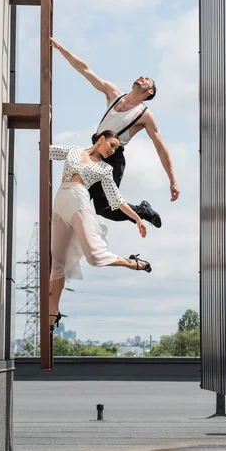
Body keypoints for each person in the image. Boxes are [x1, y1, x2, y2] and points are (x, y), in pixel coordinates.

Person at [51, 37, 180, 229]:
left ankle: (143, 211)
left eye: (147, 79)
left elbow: (160, 148)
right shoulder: (113, 93)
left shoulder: (145, 115)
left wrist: (172, 180)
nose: (142, 77)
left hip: (113, 157)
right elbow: (84, 69)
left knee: (105, 209)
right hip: (95, 150)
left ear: (150, 92)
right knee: (79, 197)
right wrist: (59, 47)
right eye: (141, 76)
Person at [48, 130, 152, 331]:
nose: (112, 151)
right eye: (112, 145)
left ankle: (132, 263)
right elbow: (46, 151)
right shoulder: (74, 150)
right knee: (57, 262)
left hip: (79, 204)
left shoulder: (104, 169)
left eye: (115, 148)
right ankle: (53, 312)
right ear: (101, 139)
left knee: (95, 258)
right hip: (60, 204)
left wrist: (138, 218)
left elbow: (116, 200)